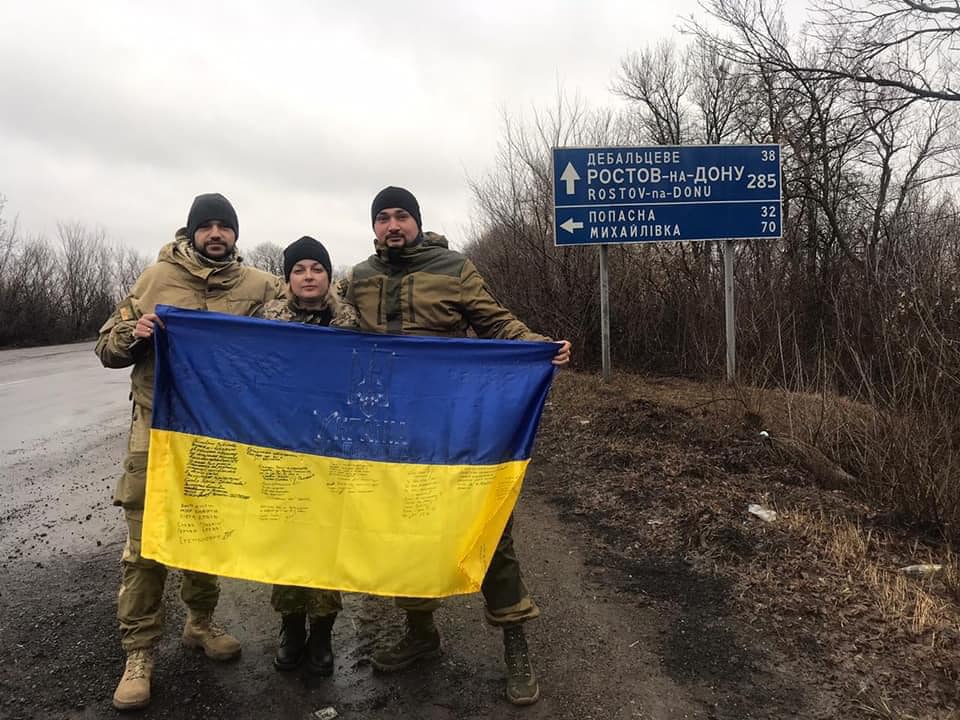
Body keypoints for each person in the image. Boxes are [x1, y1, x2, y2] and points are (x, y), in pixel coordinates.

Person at [336, 186, 571, 706]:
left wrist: (537, 347)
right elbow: (320, 327)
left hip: (454, 428)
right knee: (404, 533)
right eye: (383, 218)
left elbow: (495, 321)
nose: (392, 225)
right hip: (392, 433)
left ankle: (516, 646)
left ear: (417, 221)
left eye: (401, 216)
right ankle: (421, 635)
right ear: (373, 226)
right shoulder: (356, 278)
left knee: (485, 531)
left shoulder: (454, 268)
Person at [95, 193, 285, 711]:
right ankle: (139, 654)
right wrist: (133, 336)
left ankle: (199, 623)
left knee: (205, 533)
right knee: (145, 544)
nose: (216, 234)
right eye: (208, 227)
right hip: (155, 431)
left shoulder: (259, 286)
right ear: (192, 232)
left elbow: (312, 307)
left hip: (216, 437)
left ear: (235, 235)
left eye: (226, 227)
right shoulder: (154, 279)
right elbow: (106, 347)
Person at [255, 235, 352, 675]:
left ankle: (323, 633)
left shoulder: (350, 326)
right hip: (281, 449)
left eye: (316, 269)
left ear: (328, 276)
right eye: (299, 270)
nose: (308, 277)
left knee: (326, 542)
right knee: (287, 542)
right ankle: (291, 627)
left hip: (332, 449)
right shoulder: (263, 324)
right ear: (287, 278)